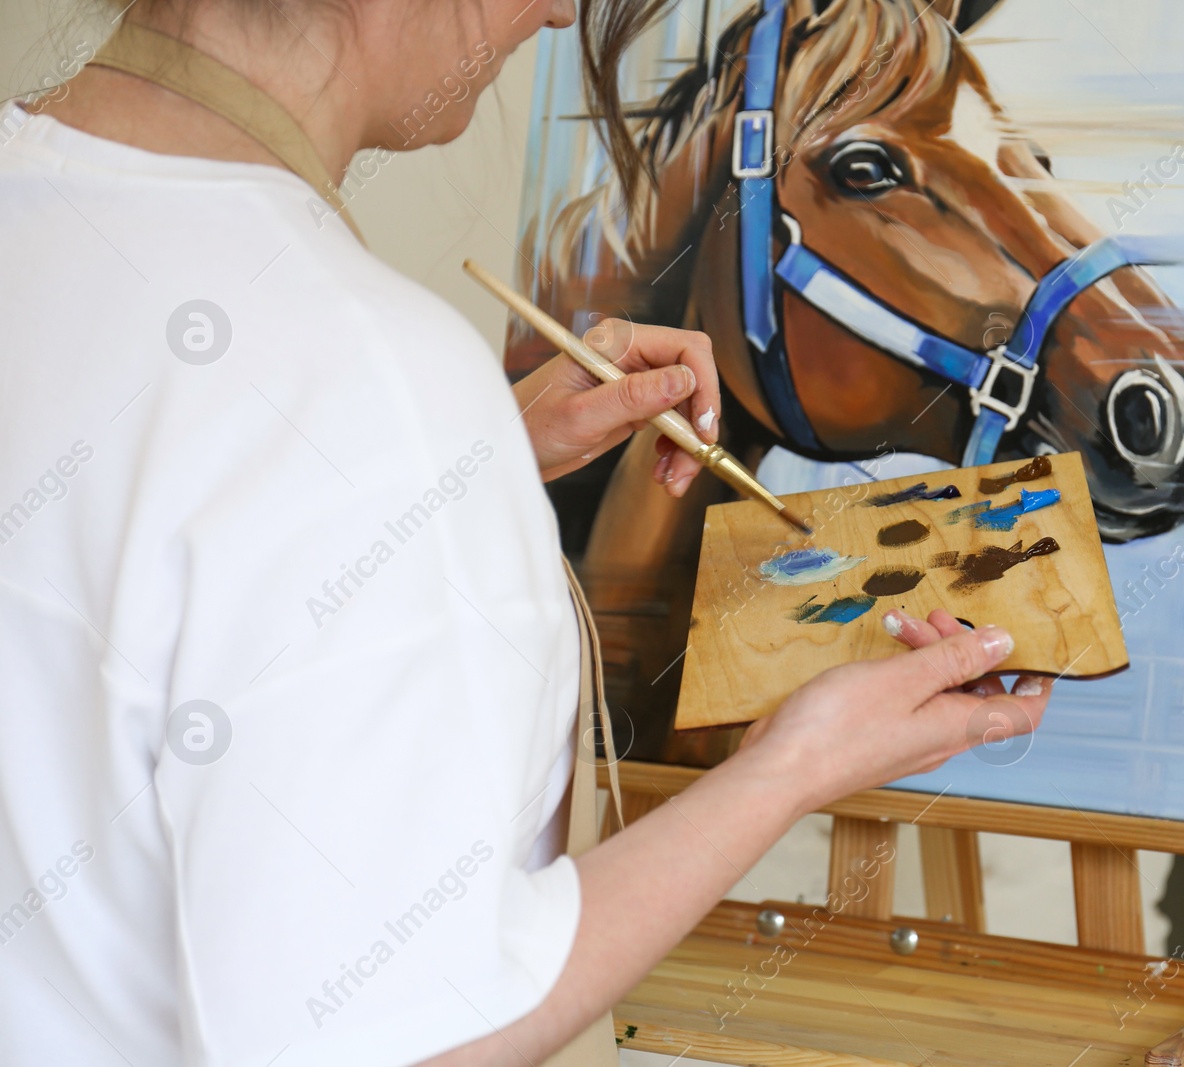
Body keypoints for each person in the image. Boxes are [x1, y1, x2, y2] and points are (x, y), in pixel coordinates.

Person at [0, 0, 1052, 1062]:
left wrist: (455, 474)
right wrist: (786, 770)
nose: (558, 10)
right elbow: (403, 1039)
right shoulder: (363, 382)